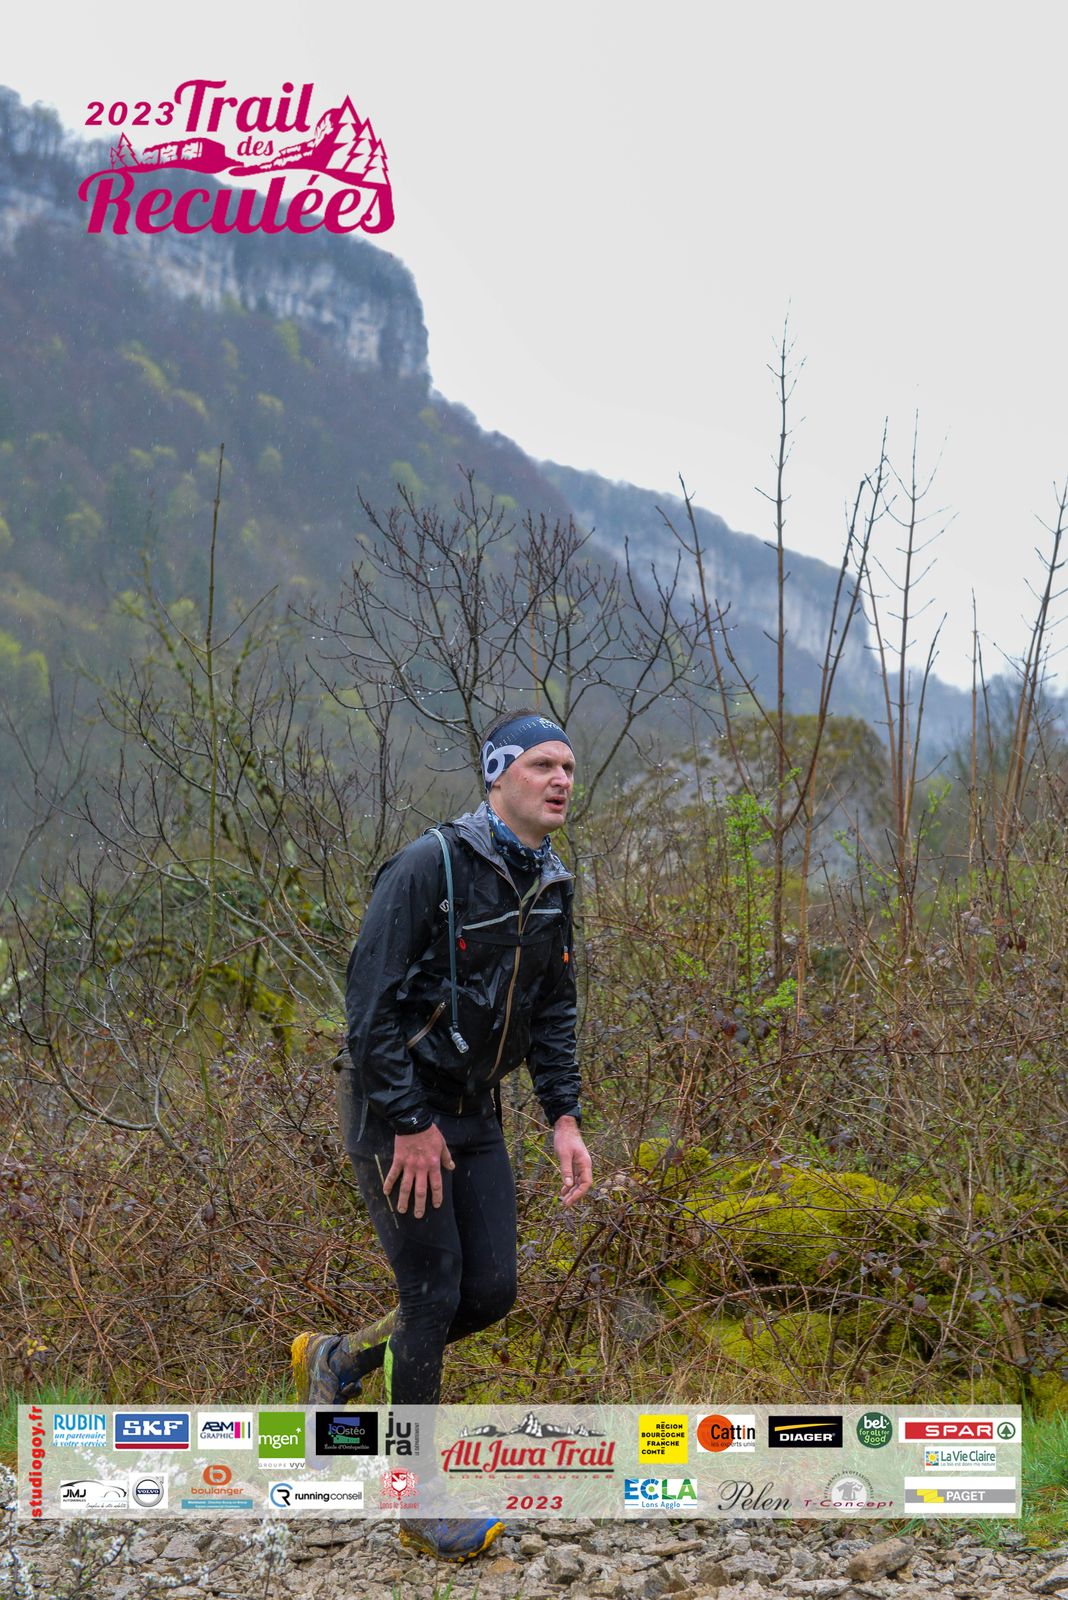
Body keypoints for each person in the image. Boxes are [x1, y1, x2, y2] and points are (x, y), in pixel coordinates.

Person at [292, 709, 593, 1563]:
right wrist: (409, 1122)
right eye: (542, 765)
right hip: (392, 1108)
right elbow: (368, 1008)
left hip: (473, 1110)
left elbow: (553, 1009)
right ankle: (417, 1502)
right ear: (498, 775)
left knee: (489, 1292)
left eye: (569, 768)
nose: (561, 780)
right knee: (431, 1292)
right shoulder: (432, 864)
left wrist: (563, 1116)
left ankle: (341, 1360)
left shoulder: (552, 883)